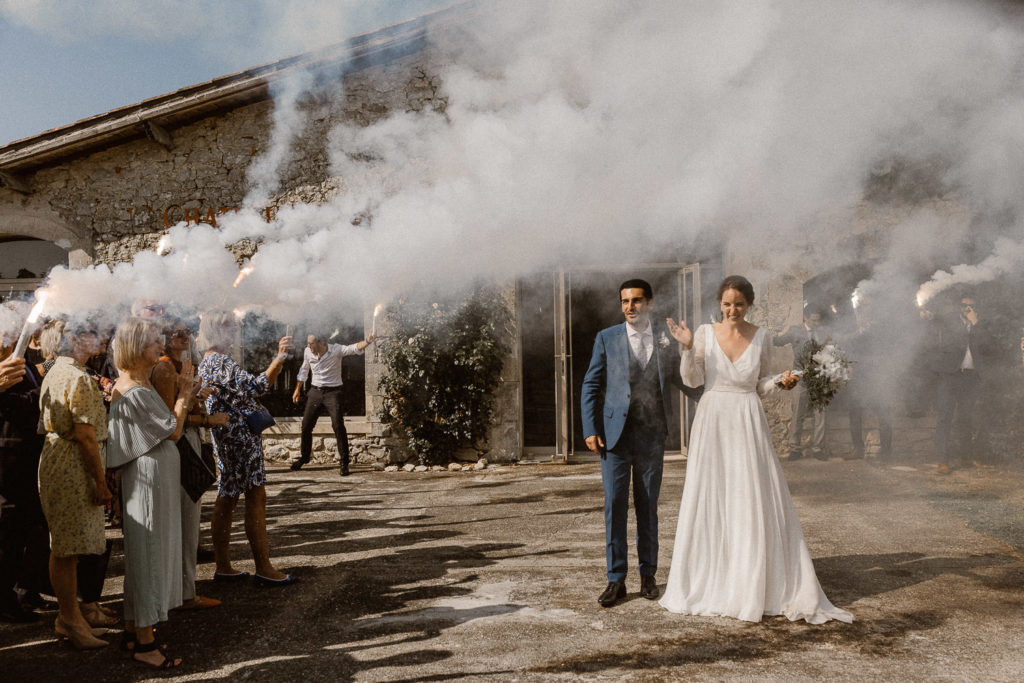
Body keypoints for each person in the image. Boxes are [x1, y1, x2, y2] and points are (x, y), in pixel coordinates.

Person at [660, 275, 853, 624]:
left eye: (739, 304)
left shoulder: (762, 336)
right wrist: (687, 348)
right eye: (727, 303)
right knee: (714, 494)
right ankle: (713, 580)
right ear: (720, 303)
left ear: (749, 305)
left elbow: (760, 385)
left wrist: (782, 381)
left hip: (747, 419)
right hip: (714, 418)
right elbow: (691, 381)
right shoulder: (703, 333)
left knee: (750, 495)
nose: (732, 310)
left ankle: (753, 583)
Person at [580, 279, 702, 608]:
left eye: (636, 301)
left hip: (651, 436)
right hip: (614, 438)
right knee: (615, 506)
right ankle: (615, 580)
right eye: (624, 301)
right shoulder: (607, 338)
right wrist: (590, 429)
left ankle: (648, 575)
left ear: (649, 303)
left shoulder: (665, 338)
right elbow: (590, 383)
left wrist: (713, 398)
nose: (629, 307)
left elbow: (680, 379)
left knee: (648, 506)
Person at [107, 317, 196, 668]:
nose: (159, 348)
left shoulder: (134, 384)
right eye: (152, 344)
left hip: (151, 477)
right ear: (134, 348)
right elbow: (173, 431)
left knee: (147, 554)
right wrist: (185, 395)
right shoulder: (136, 390)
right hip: (148, 481)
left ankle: (134, 631)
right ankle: (146, 643)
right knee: (149, 557)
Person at [197, 311, 296, 586]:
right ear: (217, 331)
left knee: (227, 495)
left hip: (228, 437)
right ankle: (263, 567)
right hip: (238, 439)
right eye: (229, 326)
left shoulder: (210, 361)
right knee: (255, 495)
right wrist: (280, 357)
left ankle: (224, 566)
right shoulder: (219, 360)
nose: (235, 330)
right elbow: (256, 387)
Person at [37, 321, 112, 648]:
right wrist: (101, 482)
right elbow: (85, 436)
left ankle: (72, 617)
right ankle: (69, 620)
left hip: (60, 461)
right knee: (66, 548)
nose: (105, 339)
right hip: (72, 465)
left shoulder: (57, 368)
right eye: (97, 332)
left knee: (66, 545)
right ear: (79, 338)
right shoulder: (78, 376)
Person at [151, 318, 226, 611]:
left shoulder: (182, 365)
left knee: (189, 519)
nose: (184, 337)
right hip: (180, 443)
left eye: (187, 332)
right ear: (165, 338)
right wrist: (208, 419)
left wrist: (195, 393)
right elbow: (170, 419)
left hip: (188, 440)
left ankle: (184, 589)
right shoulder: (166, 367)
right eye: (177, 333)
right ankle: (184, 593)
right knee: (185, 519)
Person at [0, 333, 46, 622]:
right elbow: (17, 405)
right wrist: (44, 395)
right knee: (8, 530)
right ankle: (6, 600)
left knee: (26, 528)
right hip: (8, 458)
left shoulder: (23, 362)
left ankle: (23, 589)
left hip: (26, 456)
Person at [290, 331, 375, 475]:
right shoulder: (307, 352)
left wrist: (367, 340)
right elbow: (303, 370)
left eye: (311, 343)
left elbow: (353, 348)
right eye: (308, 343)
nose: (308, 345)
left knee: (337, 425)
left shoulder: (336, 350)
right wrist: (297, 389)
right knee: (306, 425)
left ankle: (344, 463)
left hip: (333, 393)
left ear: (321, 343)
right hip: (315, 392)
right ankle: (304, 458)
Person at [931, 294, 996, 474]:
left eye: (970, 306)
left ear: (976, 308)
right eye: (963, 305)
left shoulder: (980, 324)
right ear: (958, 307)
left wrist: (976, 325)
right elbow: (945, 342)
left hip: (970, 377)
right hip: (950, 376)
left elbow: (988, 346)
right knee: (945, 417)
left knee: (966, 418)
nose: (967, 309)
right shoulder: (949, 323)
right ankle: (942, 461)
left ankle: (966, 458)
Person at [774, 309, 828, 460]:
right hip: (800, 379)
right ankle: (795, 449)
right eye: (813, 320)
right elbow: (779, 341)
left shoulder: (822, 332)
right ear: (805, 317)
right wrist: (761, 335)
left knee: (821, 415)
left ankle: (818, 449)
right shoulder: (795, 331)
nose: (816, 324)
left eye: (818, 320)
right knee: (797, 413)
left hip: (819, 378)